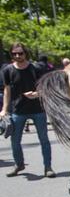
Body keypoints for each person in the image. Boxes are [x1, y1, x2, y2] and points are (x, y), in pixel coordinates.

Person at [1, 43, 55, 178]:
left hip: (38, 109)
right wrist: (4, 109)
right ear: (11, 54)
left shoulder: (35, 67)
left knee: (44, 139)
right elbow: (7, 90)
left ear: (26, 53)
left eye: (20, 53)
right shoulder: (7, 70)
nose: (17, 56)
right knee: (15, 140)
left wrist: (37, 94)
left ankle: (48, 167)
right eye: (14, 54)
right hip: (17, 110)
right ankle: (19, 164)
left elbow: (44, 85)